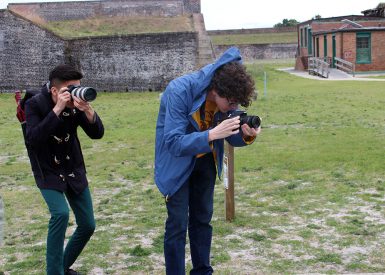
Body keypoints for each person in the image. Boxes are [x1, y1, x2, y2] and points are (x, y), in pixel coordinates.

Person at [154, 47, 261, 274]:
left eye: (237, 105)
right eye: (231, 103)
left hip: (205, 163)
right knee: (177, 225)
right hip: (177, 163)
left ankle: (203, 271)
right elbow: (172, 142)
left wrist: (245, 134)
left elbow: (230, 135)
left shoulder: (227, 99)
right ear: (216, 89)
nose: (234, 108)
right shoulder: (179, 90)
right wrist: (212, 134)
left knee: (202, 220)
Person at [25, 65, 104, 275]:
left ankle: (61, 267)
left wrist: (87, 110)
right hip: (47, 169)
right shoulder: (34, 104)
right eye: (71, 88)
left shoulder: (75, 105)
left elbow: (97, 134)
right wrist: (58, 109)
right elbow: (33, 140)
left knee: (88, 224)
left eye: (78, 87)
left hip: (72, 166)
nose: (76, 92)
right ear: (54, 91)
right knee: (60, 214)